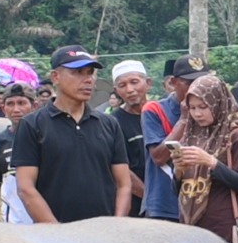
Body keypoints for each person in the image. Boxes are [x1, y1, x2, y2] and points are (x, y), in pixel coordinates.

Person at [12, 46, 131, 224]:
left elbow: (124, 184)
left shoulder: (109, 124)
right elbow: (26, 188)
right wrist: (59, 234)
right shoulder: (32, 125)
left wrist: (116, 225)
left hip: (104, 235)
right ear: (55, 77)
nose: (88, 80)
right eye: (77, 72)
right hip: (55, 238)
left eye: (90, 73)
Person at [169, 75, 238, 243]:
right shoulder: (191, 135)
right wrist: (178, 170)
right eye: (192, 108)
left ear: (218, 103)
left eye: (203, 107)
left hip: (222, 224)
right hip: (191, 225)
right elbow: (177, 191)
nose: (197, 113)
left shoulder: (234, 135)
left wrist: (211, 162)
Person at [144, 55, 210, 222]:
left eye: (202, 82)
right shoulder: (155, 109)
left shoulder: (214, 111)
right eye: (189, 83)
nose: (197, 89)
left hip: (203, 202)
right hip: (165, 205)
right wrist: (184, 119)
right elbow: (158, 157)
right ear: (173, 83)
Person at [0, 84, 36, 224]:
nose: (16, 110)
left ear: (34, 105)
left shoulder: (46, 139)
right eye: (10, 104)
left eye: (22, 103)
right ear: (3, 108)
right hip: (15, 216)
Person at [109, 60, 149, 217]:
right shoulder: (113, 122)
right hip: (137, 206)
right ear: (116, 90)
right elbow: (121, 168)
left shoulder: (162, 113)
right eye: (122, 85)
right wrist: (150, 198)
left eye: (134, 82)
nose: (130, 90)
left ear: (148, 83)